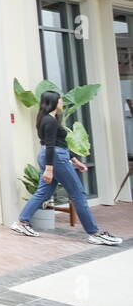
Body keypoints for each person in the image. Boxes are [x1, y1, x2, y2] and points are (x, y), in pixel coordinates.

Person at [12, 90, 122, 244]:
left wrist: (75, 160)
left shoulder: (45, 118)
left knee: (43, 193)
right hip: (55, 158)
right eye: (60, 100)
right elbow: (51, 145)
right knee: (78, 193)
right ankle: (95, 234)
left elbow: (56, 143)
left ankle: (22, 222)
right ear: (53, 102)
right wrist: (50, 169)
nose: (62, 102)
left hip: (51, 155)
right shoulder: (49, 121)